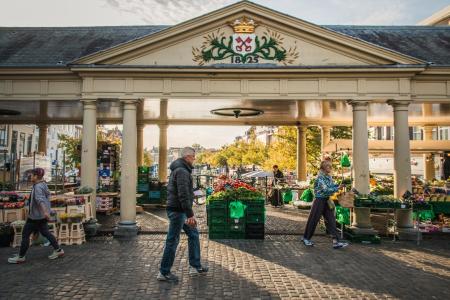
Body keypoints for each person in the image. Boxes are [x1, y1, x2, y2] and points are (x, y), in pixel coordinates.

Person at [157, 147, 208, 282]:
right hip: (178, 211)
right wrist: (190, 214)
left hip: (179, 210)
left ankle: (195, 266)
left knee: (193, 234)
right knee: (173, 240)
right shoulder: (182, 171)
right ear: (187, 157)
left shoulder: (180, 169)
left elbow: (184, 192)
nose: (194, 159)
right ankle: (164, 272)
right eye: (193, 157)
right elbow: (183, 194)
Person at [8, 168, 64, 264]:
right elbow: (45, 197)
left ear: (36, 176)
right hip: (41, 216)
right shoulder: (43, 185)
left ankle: (21, 257)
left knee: (25, 234)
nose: (30, 176)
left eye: (32, 175)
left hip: (35, 217)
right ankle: (58, 250)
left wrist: (45, 212)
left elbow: (40, 200)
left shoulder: (38, 187)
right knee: (46, 232)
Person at [302, 160, 348, 249]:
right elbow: (326, 189)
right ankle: (306, 238)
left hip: (327, 200)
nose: (330, 168)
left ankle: (336, 241)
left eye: (331, 166)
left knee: (331, 220)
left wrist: (338, 186)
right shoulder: (320, 178)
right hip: (319, 200)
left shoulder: (328, 177)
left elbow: (331, 187)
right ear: (323, 168)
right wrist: (337, 187)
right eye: (328, 166)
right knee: (313, 220)